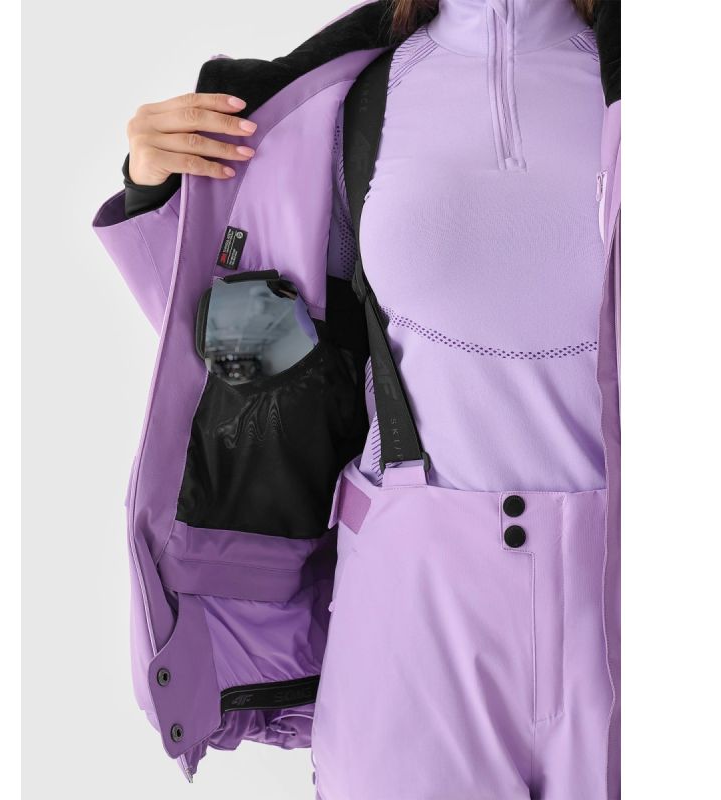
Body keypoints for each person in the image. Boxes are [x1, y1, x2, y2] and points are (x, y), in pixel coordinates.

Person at [93, 1, 621, 797]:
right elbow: (241, 350)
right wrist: (157, 188)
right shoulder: (345, 106)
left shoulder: (666, 93)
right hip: (410, 617)